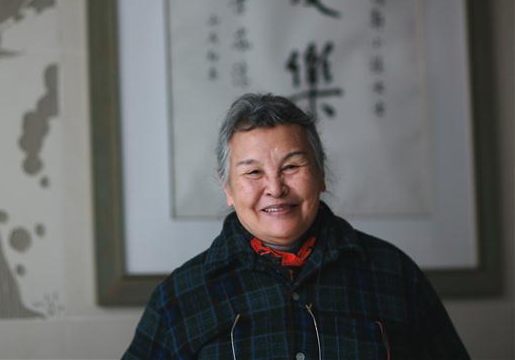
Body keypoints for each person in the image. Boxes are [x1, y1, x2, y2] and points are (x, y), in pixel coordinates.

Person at [123, 93, 470, 359]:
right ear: (227, 188)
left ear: (320, 173)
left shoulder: (393, 273)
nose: (275, 188)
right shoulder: (181, 296)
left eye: (291, 167)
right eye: (253, 172)